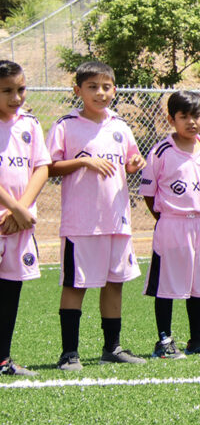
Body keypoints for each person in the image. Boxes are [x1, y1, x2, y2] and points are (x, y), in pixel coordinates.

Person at [48, 61, 149, 371]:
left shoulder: (120, 125)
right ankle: (69, 353)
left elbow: (132, 161)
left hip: (116, 220)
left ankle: (112, 347)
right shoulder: (66, 125)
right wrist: (83, 163)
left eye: (106, 87)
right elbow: (49, 167)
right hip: (82, 223)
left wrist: (135, 162)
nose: (100, 93)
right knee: (76, 285)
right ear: (78, 91)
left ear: (114, 90)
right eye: (92, 87)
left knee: (114, 283)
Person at [140, 91, 200, 359]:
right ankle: (164, 341)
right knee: (167, 284)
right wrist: (165, 218)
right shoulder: (162, 151)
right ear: (171, 119)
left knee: (198, 283)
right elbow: (148, 192)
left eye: (197, 116)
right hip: (173, 225)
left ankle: (197, 338)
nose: (192, 122)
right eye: (184, 116)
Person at [0, 61, 50, 376]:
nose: (16, 97)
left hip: (17, 224)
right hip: (11, 216)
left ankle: (3, 359)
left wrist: (23, 208)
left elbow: (41, 167)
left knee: (9, 294)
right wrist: (14, 208)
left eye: (20, 89)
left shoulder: (29, 124)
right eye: (7, 90)